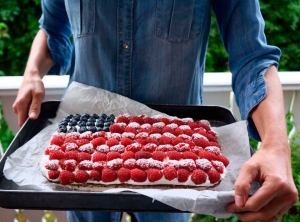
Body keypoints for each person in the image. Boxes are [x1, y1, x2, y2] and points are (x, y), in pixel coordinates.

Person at [13, 0, 298, 221]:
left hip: (181, 148)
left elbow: (253, 58)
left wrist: (275, 145)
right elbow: (53, 28)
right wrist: (32, 72)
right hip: (81, 138)